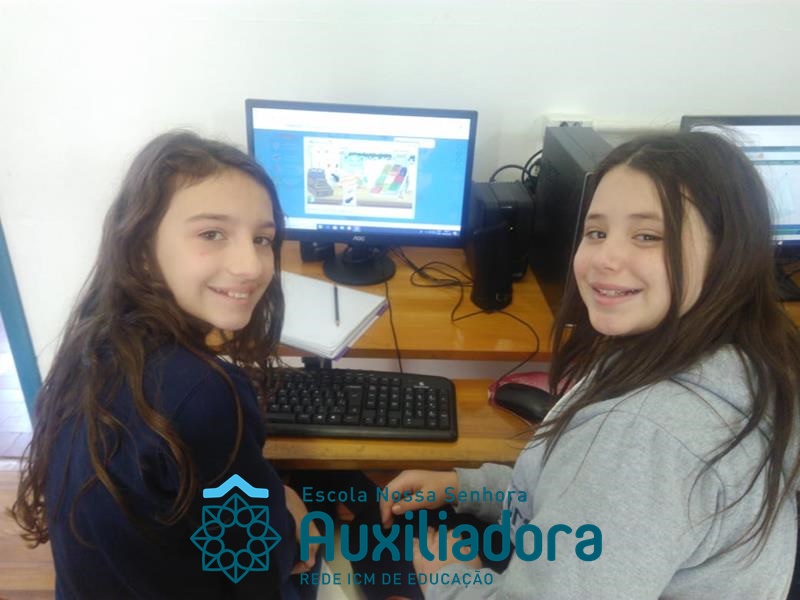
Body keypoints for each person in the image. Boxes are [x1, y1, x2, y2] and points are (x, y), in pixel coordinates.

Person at [380, 131, 800, 599]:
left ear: (728, 254)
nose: (605, 258)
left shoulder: (648, 437)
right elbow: (571, 497)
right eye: (596, 232)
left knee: (371, 546)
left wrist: (449, 576)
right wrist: (469, 487)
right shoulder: (732, 358)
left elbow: (613, 490)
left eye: (647, 236)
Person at [11, 131, 319, 598]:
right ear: (142, 249)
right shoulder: (204, 394)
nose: (253, 266)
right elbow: (253, 568)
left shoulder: (96, 344)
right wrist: (290, 524)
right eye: (212, 234)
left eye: (262, 239)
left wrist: (273, 498)